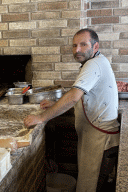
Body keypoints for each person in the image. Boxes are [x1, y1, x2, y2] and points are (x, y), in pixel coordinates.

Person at [24, 28, 120, 192]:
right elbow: (83, 95)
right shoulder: (94, 62)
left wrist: (41, 118)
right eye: (74, 45)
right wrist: (55, 102)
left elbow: (74, 96)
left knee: (88, 187)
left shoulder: (93, 64)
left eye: (83, 45)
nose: (77, 50)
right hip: (92, 136)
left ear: (95, 46)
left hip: (100, 140)